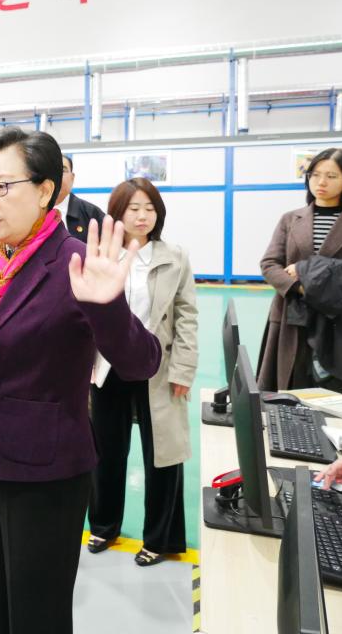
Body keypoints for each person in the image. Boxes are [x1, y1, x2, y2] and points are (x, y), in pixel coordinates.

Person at [0, 127, 161, 634]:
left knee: (39, 613)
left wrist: (108, 308)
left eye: (3, 187)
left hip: (48, 468)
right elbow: (1, 342)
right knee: (10, 601)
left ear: (45, 190)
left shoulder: (73, 261)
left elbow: (142, 362)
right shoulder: (3, 260)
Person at [87, 178, 198, 567]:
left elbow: (187, 316)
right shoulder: (101, 256)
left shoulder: (175, 257)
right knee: (105, 452)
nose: (142, 216)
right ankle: (103, 527)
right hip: (108, 368)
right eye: (133, 208)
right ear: (117, 213)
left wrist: (184, 368)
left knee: (162, 455)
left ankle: (160, 538)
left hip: (158, 368)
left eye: (149, 208)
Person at [258, 148, 342, 391]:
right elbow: (269, 263)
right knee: (290, 385)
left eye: (331, 176)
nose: (321, 182)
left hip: (338, 318)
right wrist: (300, 287)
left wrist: (305, 271)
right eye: (315, 174)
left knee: (335, 392)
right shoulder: (290, 219)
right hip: (291, 314)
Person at [56, 154, 106, 244]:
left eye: (63, 170)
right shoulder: (33, 213)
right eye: (51, 170)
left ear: (72, 177)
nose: (56, 175)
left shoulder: (92, 213)